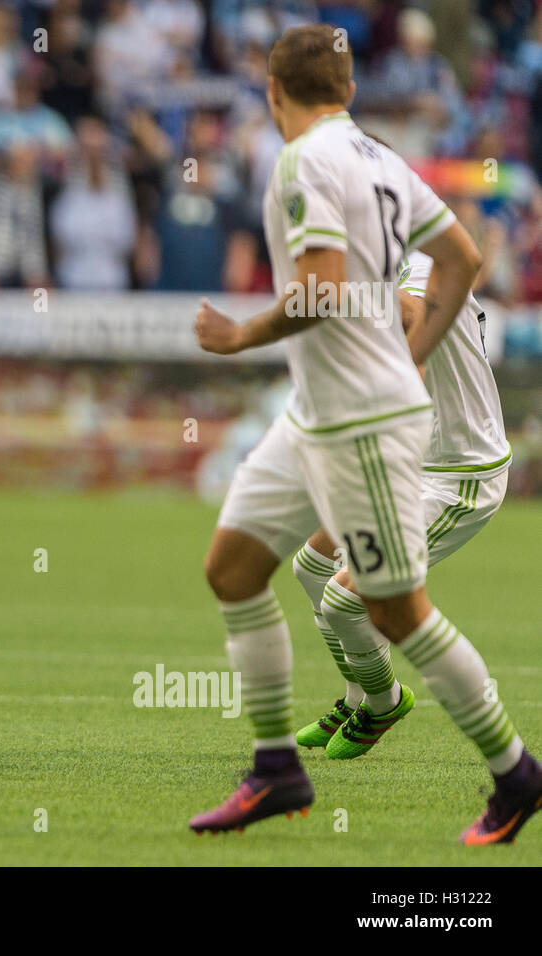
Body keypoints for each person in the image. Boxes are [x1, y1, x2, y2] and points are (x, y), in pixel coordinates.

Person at [190, 25, 540, 844]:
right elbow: (462, 259)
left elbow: (317, 289)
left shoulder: (303, 163)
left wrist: (243, 335)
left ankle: (516, 773)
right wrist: (408, 349)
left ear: (275, 93)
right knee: (237, 568)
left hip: (374, 423)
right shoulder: (385, 162)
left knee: (392, 613)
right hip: (316, 412)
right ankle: (277, 769)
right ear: (347, 91)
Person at [292, 250, 512, 759]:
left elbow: (410, 319)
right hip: (413, 462)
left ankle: (385, 701)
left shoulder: (420, 260)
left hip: (460, 477)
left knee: (347, 598)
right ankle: (355, 700)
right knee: (312, 565)